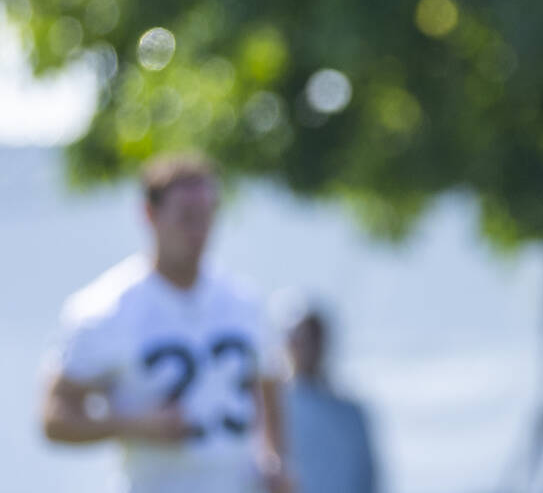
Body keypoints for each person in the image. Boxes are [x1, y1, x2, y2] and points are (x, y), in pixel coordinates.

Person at [40, 152, 292, 493]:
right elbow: (54, 418)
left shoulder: (243, 302)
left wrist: (273, 459)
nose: (198, 231)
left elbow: (268, 388)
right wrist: (135, 425)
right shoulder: (105, 309)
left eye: (206, 216)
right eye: (186, 217)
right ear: (150, 213)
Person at [280, 303, 377, 493]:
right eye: (300, 340)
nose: (307, 348)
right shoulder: (268, 409)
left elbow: (368, 477)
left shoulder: (350, 413)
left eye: (314, 339)